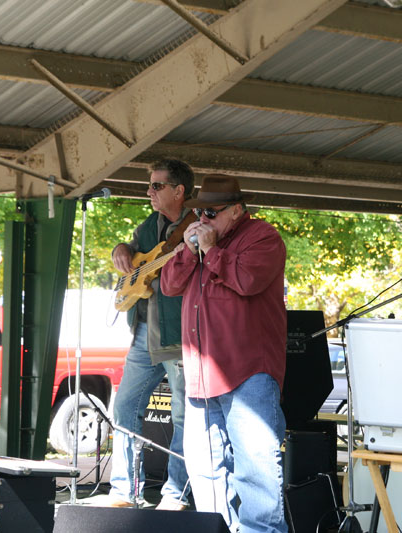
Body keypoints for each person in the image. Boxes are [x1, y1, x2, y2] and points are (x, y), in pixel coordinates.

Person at [161, 175, 288, 533]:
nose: (201, 219)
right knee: (205, 469)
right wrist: (188, 251)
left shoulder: (262, 237)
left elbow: (247, 280)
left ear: (236, 210)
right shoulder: (197, 242)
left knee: (255, 469)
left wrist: (212, 251)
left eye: (211, 212)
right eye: (198, 211)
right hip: (201, 375)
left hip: (247, 372)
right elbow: (169, 286)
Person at [105, 159, 194, 510]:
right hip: (144, 331)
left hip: (180, 336)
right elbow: (132, 251)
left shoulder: (196, 226)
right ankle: (124, 492)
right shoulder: (147, 227)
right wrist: (121, 250)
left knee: (185, 417)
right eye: (150, 185)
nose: (149, 192)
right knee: (124, 407)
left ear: (179, 190)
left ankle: (177, 495)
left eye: (156, 186)